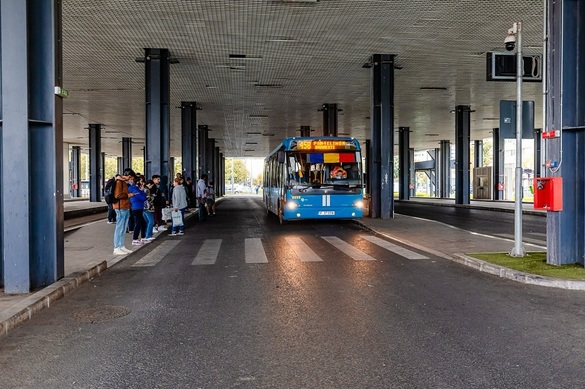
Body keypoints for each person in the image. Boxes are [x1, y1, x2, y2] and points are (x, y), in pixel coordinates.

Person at [112, 169, 135, 255]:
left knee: (123, 227)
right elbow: (117, 195)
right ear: (126, 175)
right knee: (119, 228)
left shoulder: (123, 182)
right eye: (130, 177)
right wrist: (128, 195)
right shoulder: (119, 182)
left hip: (124, 206)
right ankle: (116, 247)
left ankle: (121, 246)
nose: (130, 179)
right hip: (120, 207)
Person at [128, 174, 147, 246]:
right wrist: (142, 191)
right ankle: (135, 239)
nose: (142, 183)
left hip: (137, 207)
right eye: (141, 182)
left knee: (143, 223)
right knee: (138, 223)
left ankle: (143, 237)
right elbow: (143, 198)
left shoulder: (133, 188)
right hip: (137, 208)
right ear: (138, 182)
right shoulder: (135, 189)